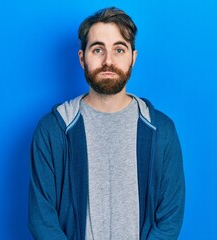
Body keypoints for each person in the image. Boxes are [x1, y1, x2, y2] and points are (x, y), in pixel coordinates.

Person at [28, 7, 185, 240]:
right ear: (82, 59)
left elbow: (170, 218)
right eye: (98, 49)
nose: (108, 61)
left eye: (119, 49)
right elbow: (42, 219)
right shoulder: (52, 130)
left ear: (133, 57)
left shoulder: (161, 130)